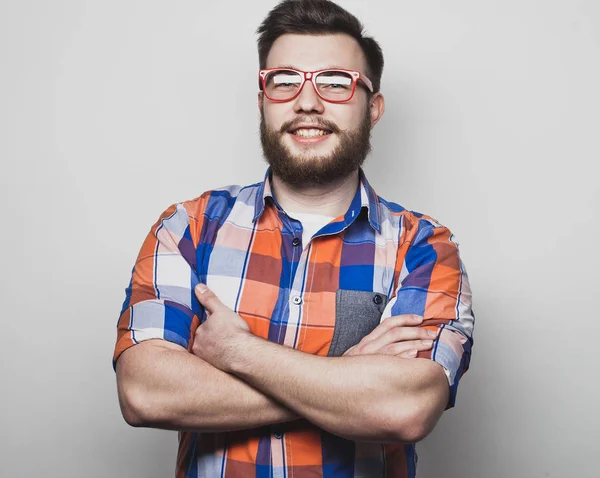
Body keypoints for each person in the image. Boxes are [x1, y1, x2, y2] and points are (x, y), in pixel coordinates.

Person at [114, 0, 475, 476]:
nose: (308, 102)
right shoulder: (187, 228)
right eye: (284, 81)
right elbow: (146, 393)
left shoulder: (425, 248)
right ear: (262, 100)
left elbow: (405, 408)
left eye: (336, 82)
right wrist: (347, 375)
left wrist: (238, 354)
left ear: (374, 107)